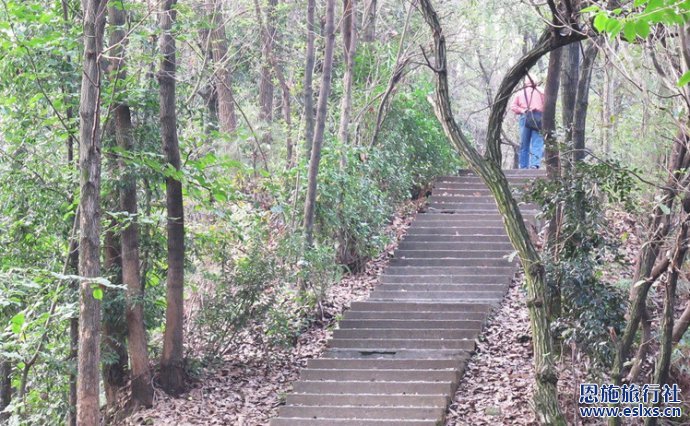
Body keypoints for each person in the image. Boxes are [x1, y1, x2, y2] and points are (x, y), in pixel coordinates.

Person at [510, 77, 545, 169]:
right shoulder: (542, 92)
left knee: (524, 143)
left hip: (525, 117)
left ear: (525, 83)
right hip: (538, 118)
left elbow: (513, 106)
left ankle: (523, 166)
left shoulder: (520, 93)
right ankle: (534, 165)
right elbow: (547, 105)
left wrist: (523, 110)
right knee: (537, 142)